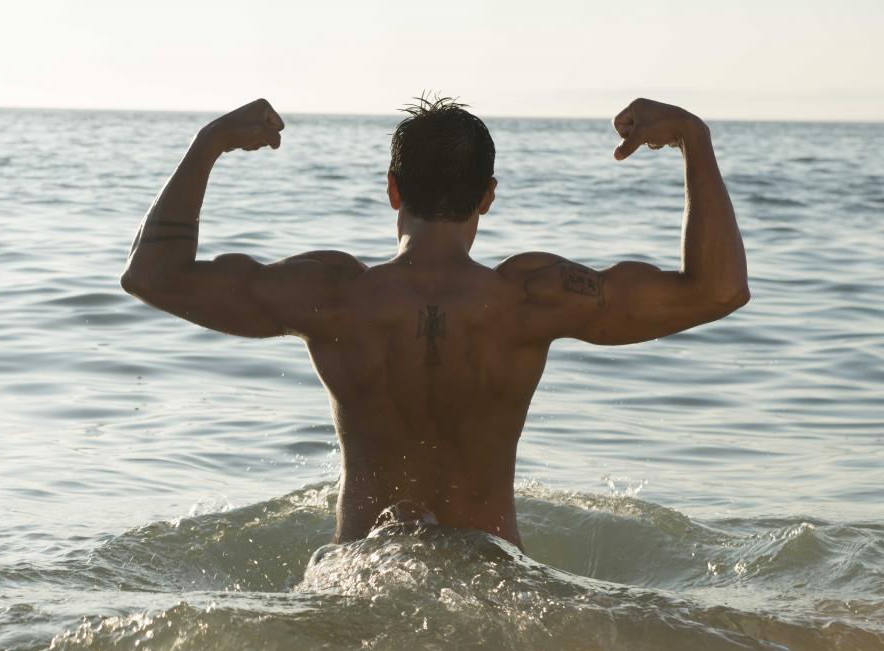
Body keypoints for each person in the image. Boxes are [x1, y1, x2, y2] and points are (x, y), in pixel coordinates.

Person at [120, 96, 748, 548]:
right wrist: (694, 137)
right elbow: (719, 290)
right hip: (493, 575)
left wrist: (209, 143)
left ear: (393, 189)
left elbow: (152, 276)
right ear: (487, 197)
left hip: (364, 573)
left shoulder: (331, 296)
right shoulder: (533, 298)